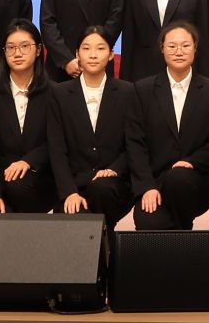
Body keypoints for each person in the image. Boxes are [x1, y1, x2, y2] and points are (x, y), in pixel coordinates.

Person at [130, 19, 209, 230]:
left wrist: (192, 162)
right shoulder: (143, 90)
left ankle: (183, 234)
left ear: (195, 49)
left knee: (179, 179)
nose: (179, 51)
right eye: (172, 46)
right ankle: (179, 234)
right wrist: (147, 186)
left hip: (196, 180)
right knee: (149, 224)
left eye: (185, 45)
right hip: (156, 182)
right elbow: (136, 144)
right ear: (162, 49)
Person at [45, 27, 140, 228]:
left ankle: (107, 241)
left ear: (111, 54)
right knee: (74, 223)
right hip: (74, 185)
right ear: (77, 54)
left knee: (102, 189)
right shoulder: (59, 94)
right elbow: (57, 149)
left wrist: (114, 169)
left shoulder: (128, 92)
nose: (93, 55)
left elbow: (134, 142)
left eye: (100, 48)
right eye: (86, 48)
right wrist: (69, 192)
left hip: (114, 184)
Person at [0, 20, 56, 215]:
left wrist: (28, 161)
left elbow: (56, 141)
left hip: (41, 178)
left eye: (25, 46)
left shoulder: (54, 92)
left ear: (38, 50)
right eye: (11, 47)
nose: (17, 53)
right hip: (1, 182)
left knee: (18, 187)